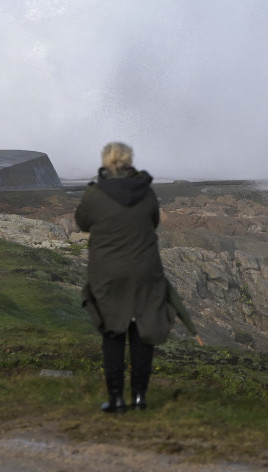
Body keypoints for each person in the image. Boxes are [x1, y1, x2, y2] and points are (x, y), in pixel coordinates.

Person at [75, 142, 176, 413]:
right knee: (143, 332)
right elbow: (153, 222)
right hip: (145, 270)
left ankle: (117, 398)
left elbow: (82, 223)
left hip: (108, 272)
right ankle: (140, 398)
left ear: (105, 162)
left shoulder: (95, 194)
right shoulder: (146, 192)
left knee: (113, 331)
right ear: (130, 160)